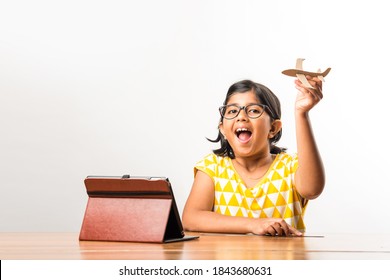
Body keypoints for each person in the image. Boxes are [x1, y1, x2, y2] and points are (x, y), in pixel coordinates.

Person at [182, 77, 325, 236]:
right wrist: (254, 225)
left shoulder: (291, 167)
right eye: (232, 111)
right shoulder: (212, 167)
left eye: (254, 110)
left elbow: (312, 190)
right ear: (222, 128)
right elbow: (191, 219)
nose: (241, 116)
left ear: (273, 128)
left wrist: (301, 113)